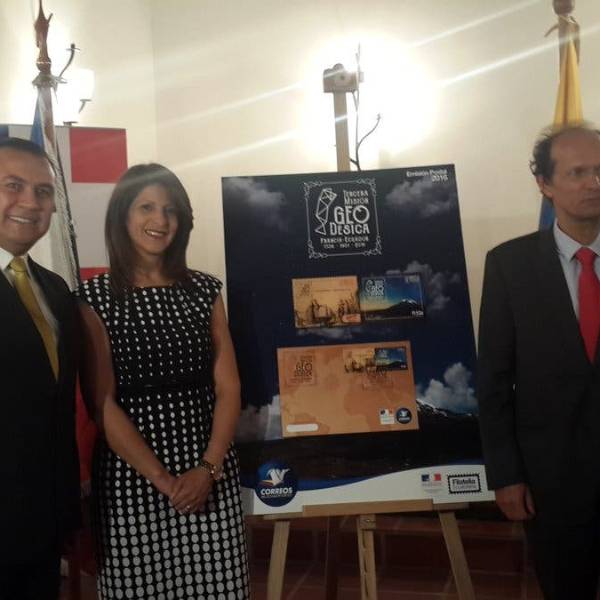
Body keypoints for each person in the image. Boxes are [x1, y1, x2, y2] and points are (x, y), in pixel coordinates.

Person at [77, 163, 250, 599]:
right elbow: (102, 403)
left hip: (209, 470)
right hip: (130, 478)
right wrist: (163, 479)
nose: (160, 220)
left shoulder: (204, 291)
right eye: (147, 207)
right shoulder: (94, 298)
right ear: (122, 215)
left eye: (171, 210)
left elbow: (228, 387)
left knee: (219, 588)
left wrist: (207, 469)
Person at [478, 123, 600, 599]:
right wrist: (505, 475)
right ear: (545, 184)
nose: (594, 183)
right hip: (551, 480)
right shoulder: (509, 266)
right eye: (578, 172)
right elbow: (493, 380)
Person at [0, 137, 80, 600]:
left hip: (41, 526)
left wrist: (65, 509)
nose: (31, 202)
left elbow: (56, 408)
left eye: (43, 191)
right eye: (13, 185)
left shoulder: (54, 290)